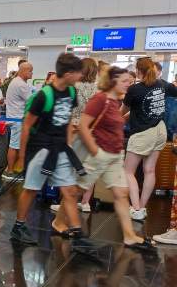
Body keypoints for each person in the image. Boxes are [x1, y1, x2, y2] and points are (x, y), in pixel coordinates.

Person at [52, 67, 152, 250]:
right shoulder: (100, 99)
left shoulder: (115, 102)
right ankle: (58, 223)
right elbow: (82, 126)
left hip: (115, 155)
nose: (128, 85)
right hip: (99, 154)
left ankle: (129, 236)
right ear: (113, 82)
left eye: (130, 82)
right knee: (76, 191)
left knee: (121, 194)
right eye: (124, 81)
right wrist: (95, 151)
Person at [11, 53, 84, 244]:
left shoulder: (71, 92)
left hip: (59, 148)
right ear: (68, 73)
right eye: (78, 73)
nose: (80, 77)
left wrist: (68, 145)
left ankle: (78, 234)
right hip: (40, 149)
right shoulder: (44, 96)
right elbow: (27, 125)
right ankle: (18, 226)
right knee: (32, 189)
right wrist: (22, 155)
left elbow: (67, 120)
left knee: (69, 191)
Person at [123, 57, 177, 224]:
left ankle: (136, 208)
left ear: (138, 71)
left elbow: (124, 110)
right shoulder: (162, 84)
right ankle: (142, 208)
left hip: (142, 133)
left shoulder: (134, 89)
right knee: (150, 170)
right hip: (160, 130)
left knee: (128, 171)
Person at [67, 57, 99, 212]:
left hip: (74, 128)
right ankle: (85, 202)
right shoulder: (98, 89)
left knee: (72, 166)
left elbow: (70, 110)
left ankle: (68, 201)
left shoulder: (74, 87)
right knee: (89, 167)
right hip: (92, 130)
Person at [2, 62, 33, 181]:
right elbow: (31, 101)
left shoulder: (16, 82)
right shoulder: (20, 84)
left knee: (15, 145)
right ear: (23, 71)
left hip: (14, 118)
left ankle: (9, 169)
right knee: (14, 146)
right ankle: (9, 172)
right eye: (30, 71)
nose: (32, 73)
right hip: (17, 119)